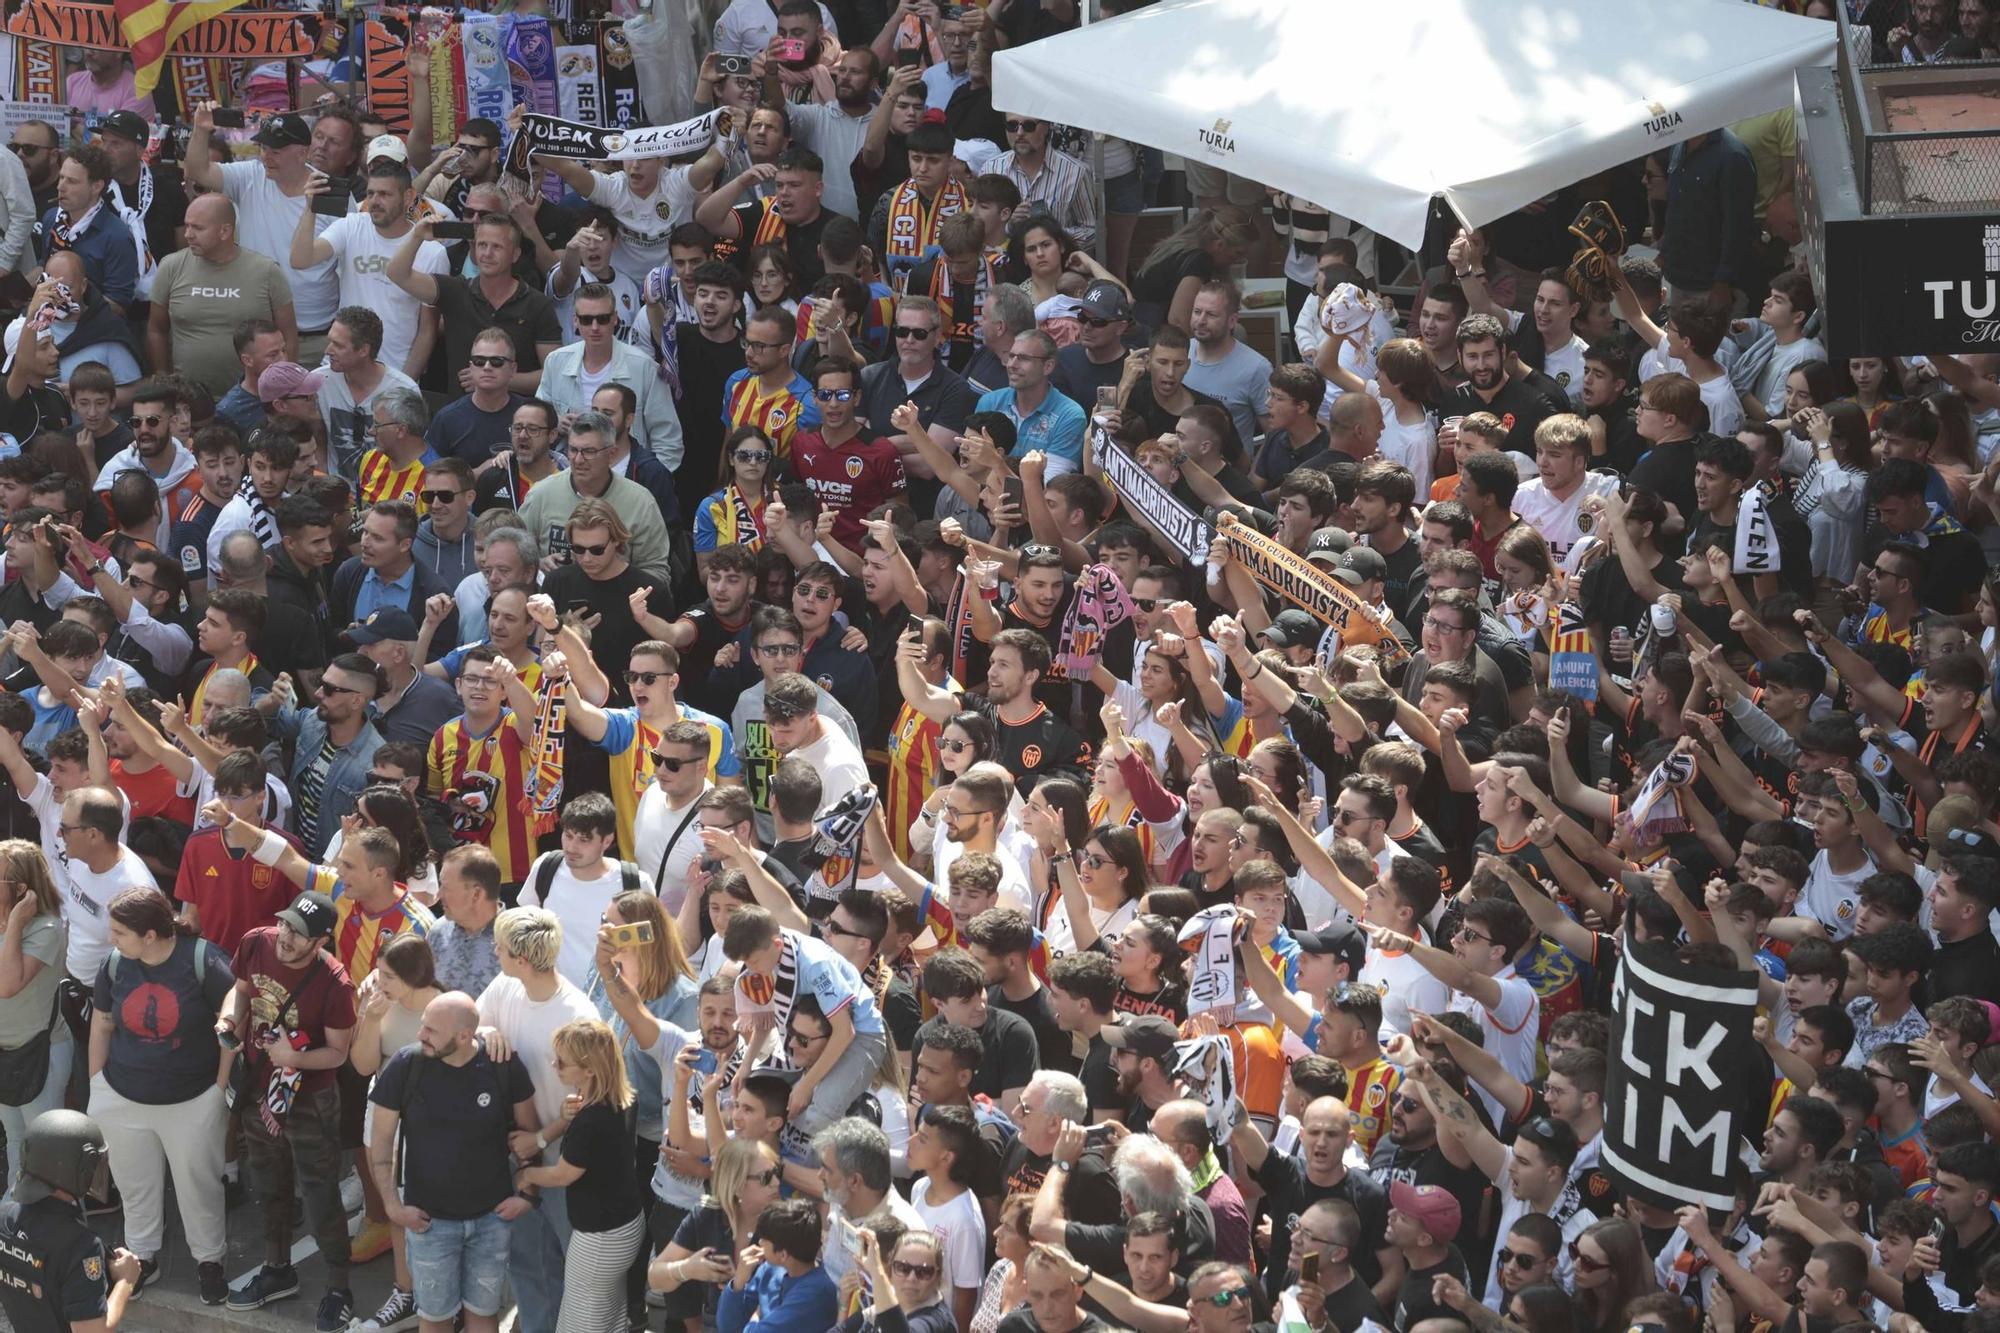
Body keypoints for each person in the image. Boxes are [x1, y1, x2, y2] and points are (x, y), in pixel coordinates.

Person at [219, 889, 361, 1329]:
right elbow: (240, 991)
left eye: (298, 933)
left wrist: (294, 1058)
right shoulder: (256, 942)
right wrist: (229, 1020)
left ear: (319, 942)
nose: (285, 936)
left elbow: (339, 1053)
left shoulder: (337, 984)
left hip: (310, 1101)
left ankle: (340, 1286)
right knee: (269, 1184)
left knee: (320, 1193)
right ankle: (277, 1269)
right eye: (284, 924)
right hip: (259, 1089)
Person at [87, 887, 234, 1302]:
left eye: (119, 932)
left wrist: (217, 1091)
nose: (111, 939)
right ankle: (141, 1257)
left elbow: (234, 1019)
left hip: (191, 1100)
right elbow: (101, 1025)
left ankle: (209, 1260)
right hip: (121, 1096)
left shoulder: (204, 959)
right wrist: (98, 1085)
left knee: (199, 1187)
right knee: (134, 1186)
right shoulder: (115, 964)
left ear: (150, 935)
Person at [367, 990, 539, 1333]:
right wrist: (393, 1208)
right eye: (422, 1026)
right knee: (435, 1319)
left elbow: (530, 1136)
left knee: (483, 1315)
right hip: (430, 1224)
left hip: (492, 1221)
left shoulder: (502, 1066)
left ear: (464, 1036)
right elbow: (381, 1145)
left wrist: (528, 1196)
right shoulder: (406, 1065)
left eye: (431, 1030)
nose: (420, 1036)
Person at [515, 1018, 646, 1333]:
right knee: (611, 1317)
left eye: (562, 1062)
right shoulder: (622, 1100)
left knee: (579, 1323)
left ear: (589, 1070)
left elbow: (563, 1175)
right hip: (626, 1224)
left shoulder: (591, 1120)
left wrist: (527, 1175)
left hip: (600, 1237)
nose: (554, 1065)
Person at [0, 1108, 145, 1332]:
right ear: (75, 1169)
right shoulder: (80, 1247)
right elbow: (93, 1330)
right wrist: (127, 1280)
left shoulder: (4, 1218)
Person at [148, 195, 297, 400]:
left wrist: (284, 386)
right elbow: (156, 329)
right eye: (187, 226)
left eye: (198, 228)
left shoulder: (266, 271)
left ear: (225, 231)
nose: (188, 234)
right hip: (187, 398)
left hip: (254, 397)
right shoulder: (170, 267)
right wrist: (163, 377)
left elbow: (288, 335)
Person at [0, 840, 69, 1194]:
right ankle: (14, 1224)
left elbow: (8, 984)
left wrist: (13, 924)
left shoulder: (45, 929)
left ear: (21, 889)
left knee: (42, 1150)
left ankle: (52, 1233)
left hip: (39, 1053)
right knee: (15, 1139)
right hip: (5, 1052)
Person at [717, 1196, 841, 1333]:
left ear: (783, 1254)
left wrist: (757, 1315)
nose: (760, 1243)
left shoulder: (815, 1293)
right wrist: (738, 1282)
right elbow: (728, 1327)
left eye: (764, 1239)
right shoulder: (770, 1268)